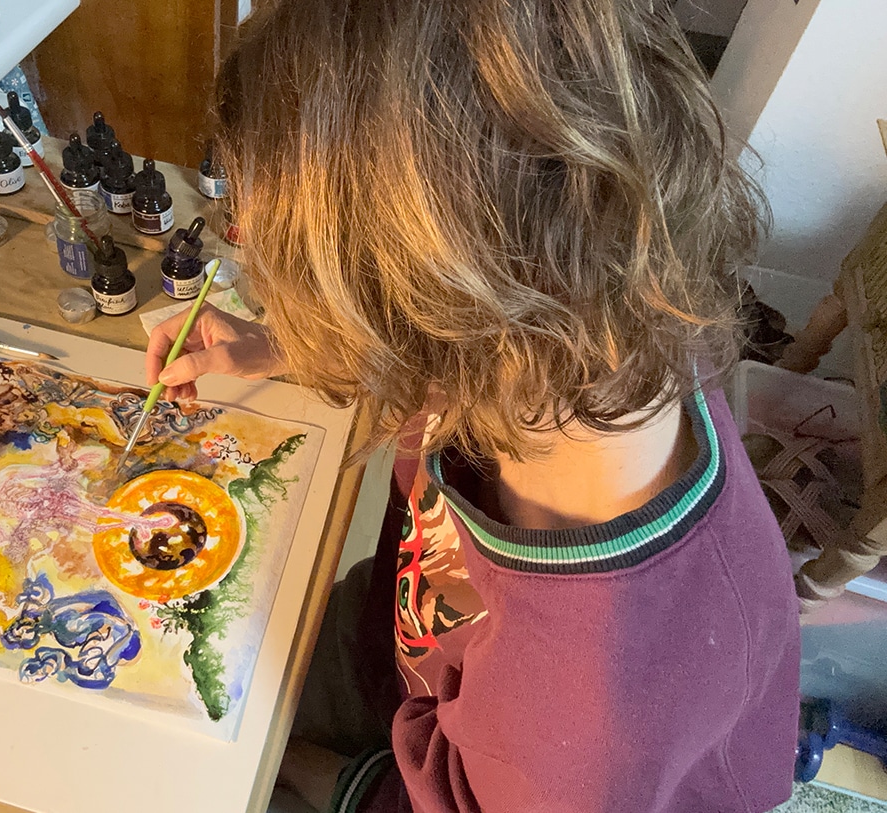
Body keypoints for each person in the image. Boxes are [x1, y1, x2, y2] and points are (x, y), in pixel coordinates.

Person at [145, 0, 801, 810]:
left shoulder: (588, 725)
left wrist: (302, 767)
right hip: (405, 655)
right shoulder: (606, 310)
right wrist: (291, 342)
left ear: (437, 301)